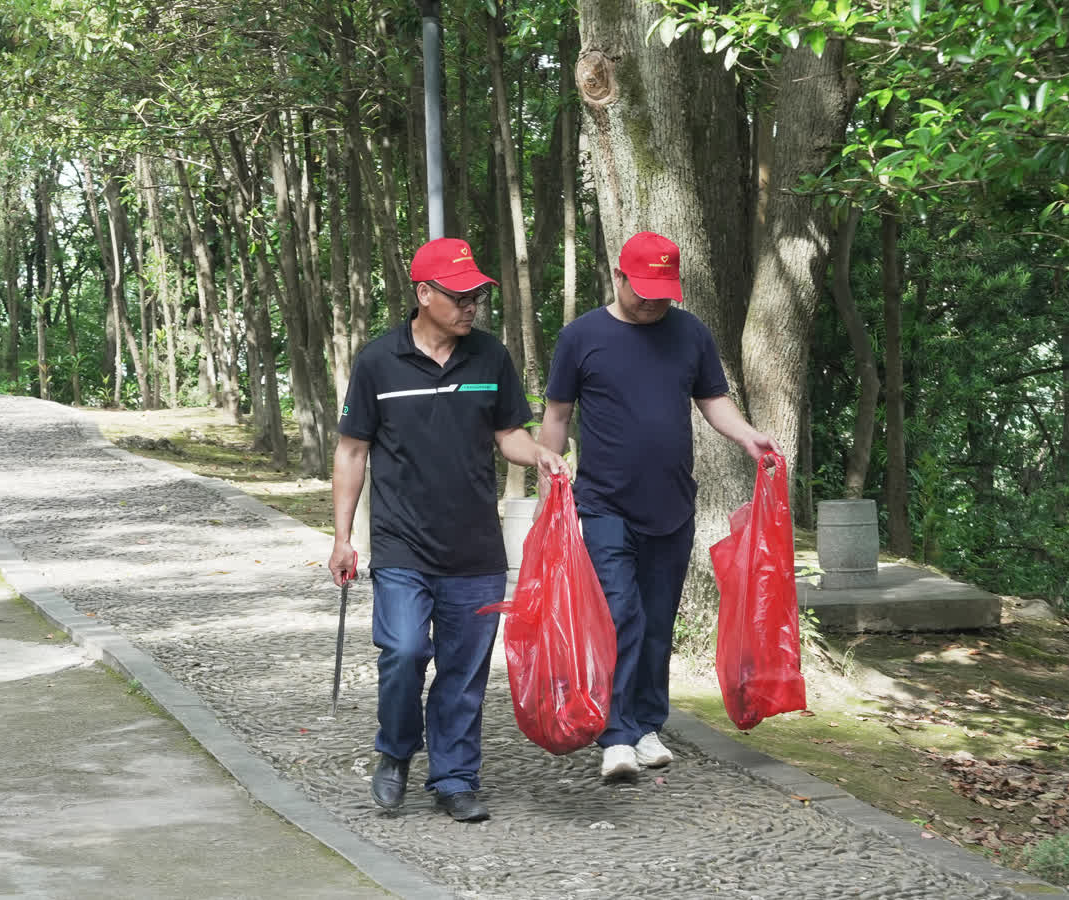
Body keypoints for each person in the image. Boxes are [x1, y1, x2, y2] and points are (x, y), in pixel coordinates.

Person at [329, 237, 560, 823]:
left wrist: (541, 456)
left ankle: (455, 777)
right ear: (423, 293)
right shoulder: (378, 361)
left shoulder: (490, 357)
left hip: (476, 547)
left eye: (477, 295)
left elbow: (509, 435)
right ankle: (395, 753)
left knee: (463, 672)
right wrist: (341, 537)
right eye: (459, 295)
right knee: (404, 652)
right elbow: (352, 451)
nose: (471, 305)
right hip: (402, 542)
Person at [539, 231, 779, 780]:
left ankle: (647, 724)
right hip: (603, 503)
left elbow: (713, 399)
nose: (652, 303)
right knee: (619, 612)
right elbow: (556, 414)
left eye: (662, 294)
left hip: (672, 504)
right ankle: (616, 734)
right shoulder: (581, 337)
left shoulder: (690, 332)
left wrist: (746, 436)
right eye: (642, 291)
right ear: (617, 276)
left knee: (655, 622)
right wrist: (549, 480)